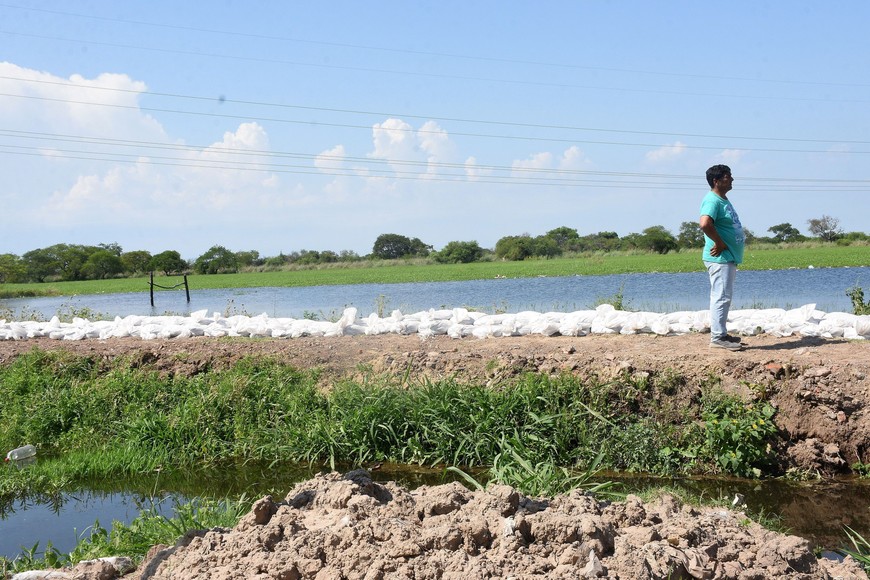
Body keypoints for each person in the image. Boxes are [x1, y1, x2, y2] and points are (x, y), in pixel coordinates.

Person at [699, 165, 745, 351]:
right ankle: (718, 337)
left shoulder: (722, 200)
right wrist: (719, 243)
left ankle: (722, 333)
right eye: (728, 177)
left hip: (727, 256)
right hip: (720, 257)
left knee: (723, 296)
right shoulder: (712, 200)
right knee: (721, 296)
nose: (732, 179)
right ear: (716, 181)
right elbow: (705, 224)